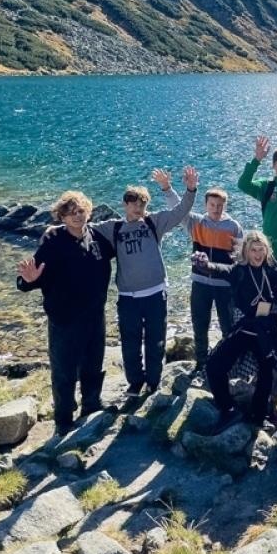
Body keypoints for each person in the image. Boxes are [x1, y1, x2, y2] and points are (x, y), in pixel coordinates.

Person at [91, 168, 197, 406]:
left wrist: (190, 189)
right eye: (134, 204)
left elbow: (181, 212)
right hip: (128, 297)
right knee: (130, 343)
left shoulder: (153, 222)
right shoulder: (113, 228)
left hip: (155, 294)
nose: (138, 209)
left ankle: (154, 381)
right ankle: (135, 382)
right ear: (125, 204)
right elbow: (82, 230)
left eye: (142, 204)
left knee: (155, 340)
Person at [16, 191, 117, 434]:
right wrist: (27, 281)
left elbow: (125, 246)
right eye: (71, 213)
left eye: (81, 211)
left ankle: (91, 405)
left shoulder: (97, 239)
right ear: (61, 216)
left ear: (88, 212)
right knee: (64, 370)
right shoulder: (52, 242)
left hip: (94, 315)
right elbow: (30, 278)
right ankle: (63, 419)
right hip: (64, 319)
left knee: (93, 364)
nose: (77, 217)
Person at [202, 231, 277, 432]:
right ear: (246, 252)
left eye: (261, 249)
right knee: (214, 365)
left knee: (266, 371)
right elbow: (218, 269)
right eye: (253, 250)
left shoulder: (272, 272)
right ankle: (228, 409)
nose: (257, 254)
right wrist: (205, 265)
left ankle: (259, 416)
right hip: (245, 328)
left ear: (267, 251)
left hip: (266, 332)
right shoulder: (238, 271)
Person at [184, 186, 243, 366]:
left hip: (224, 285)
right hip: (200, 283)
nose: (216, 208)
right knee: (200, 324)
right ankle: (201, 361)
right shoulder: (196, 222)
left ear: (225, 206)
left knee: (228, 326)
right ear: (206, 205)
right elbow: (178, 208)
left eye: (220, 205)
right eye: (212, 204)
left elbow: (240, 257)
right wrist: (167, 188)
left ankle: (229, 362)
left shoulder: (233, 227)